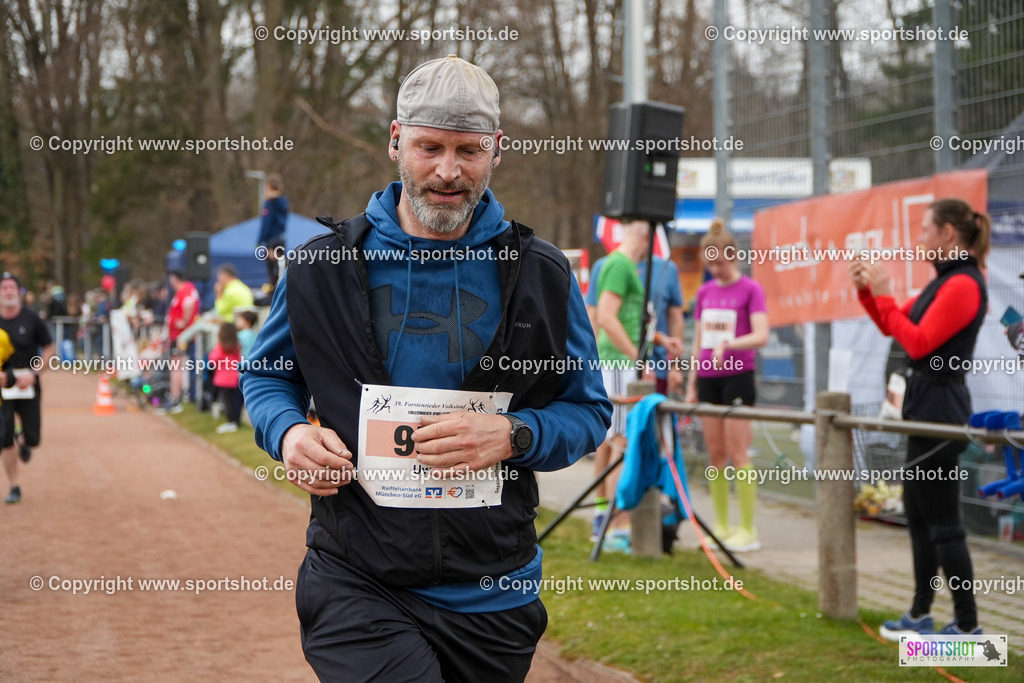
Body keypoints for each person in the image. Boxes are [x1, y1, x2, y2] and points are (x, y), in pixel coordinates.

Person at [241, 54, 611, 681]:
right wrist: (289, 433)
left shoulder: (542, 274)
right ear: (395, 141)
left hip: (494, 588)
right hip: (359, 577)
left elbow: (588, 409)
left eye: (468, 151)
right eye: (429, 147)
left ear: (497, 151)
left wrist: (517, 435)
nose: (448, 171)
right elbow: (269, 372)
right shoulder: (319, 266)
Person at [852, 199, 990, 639]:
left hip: (940, 413)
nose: (920, 238)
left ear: (948, 233)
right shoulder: (944, 281)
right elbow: (893, 323)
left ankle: (968, 627)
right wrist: (868, 292)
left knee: (944, 523)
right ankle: (920, 614)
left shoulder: (964, 284)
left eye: (926, 229)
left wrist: (886, 293)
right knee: (918, 515)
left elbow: (917, 343)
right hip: (922, 409)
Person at [684, 219, 768, 553]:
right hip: (708, 379)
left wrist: (731, 344)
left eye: (721, 263)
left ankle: (747, 528)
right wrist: (692, 383)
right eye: (710, 263)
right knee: (715, 454)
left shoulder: (750, 290)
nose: (716, 269)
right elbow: (698, 341)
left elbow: (762, 334)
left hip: (738, 376)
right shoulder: (704, 292)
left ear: (734, 257)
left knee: (738, 452)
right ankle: (720, 526)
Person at [0, 273, 56, 504]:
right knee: (3, 437)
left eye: (12, 287)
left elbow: (50, 348)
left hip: (27, 382)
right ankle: (14, 486)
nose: (8, 291)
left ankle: (23, 439)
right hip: (2, 385)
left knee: (34, 439)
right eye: (4, 288)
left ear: (19, 292)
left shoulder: (32, 319)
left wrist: (34, 374)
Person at [164, 271, 199, 412]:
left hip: (180, 335)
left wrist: (183, 321)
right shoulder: (184, 290)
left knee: (176, 367)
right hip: (176, 335)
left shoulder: (186, 290)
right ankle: (175, 397)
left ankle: (175, 398)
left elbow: (189, 305)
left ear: (174, 278)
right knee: (176, 367)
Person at [208, 323, 243, 434]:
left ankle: (231, 422)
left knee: (228, 402)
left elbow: (212, 360)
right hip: (234, 378)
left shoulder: (221, 347)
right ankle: (236, 421)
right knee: (235, 401)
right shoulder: (237, 346)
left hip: (223, 379)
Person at [257, 173, 289, 289]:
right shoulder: (283, 202)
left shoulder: (270, 204)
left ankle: (275, 286)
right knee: (279, 265)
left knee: (274, 266)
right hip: (280, 238)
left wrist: (260, 241)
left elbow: (267, 224)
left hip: (273, 240)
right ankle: (277, 285)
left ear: (269, 187)